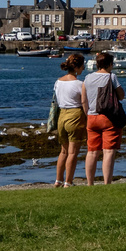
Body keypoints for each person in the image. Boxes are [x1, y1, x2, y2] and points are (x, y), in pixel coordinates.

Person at [84, 51, 125, 185]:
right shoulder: (111, 77)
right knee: (108, 152)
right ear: (109, 64)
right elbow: (121, 95)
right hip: (108, 117)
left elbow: (84, 99)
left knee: (92, 152)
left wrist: (88, 114)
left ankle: (90, 183)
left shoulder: (88, 78)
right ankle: (107, 183)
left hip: (91, 116)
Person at [52, 53, 88, 187]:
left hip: (62, 116)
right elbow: (84, 103)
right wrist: (88, 118)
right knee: (73, 152)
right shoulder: (80, 84)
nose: (83, 68)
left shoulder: (58, 82)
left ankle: (58, 180)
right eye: (82, 66)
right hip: (75, 116)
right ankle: (68, 181)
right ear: (77, 67)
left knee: (63, 151)